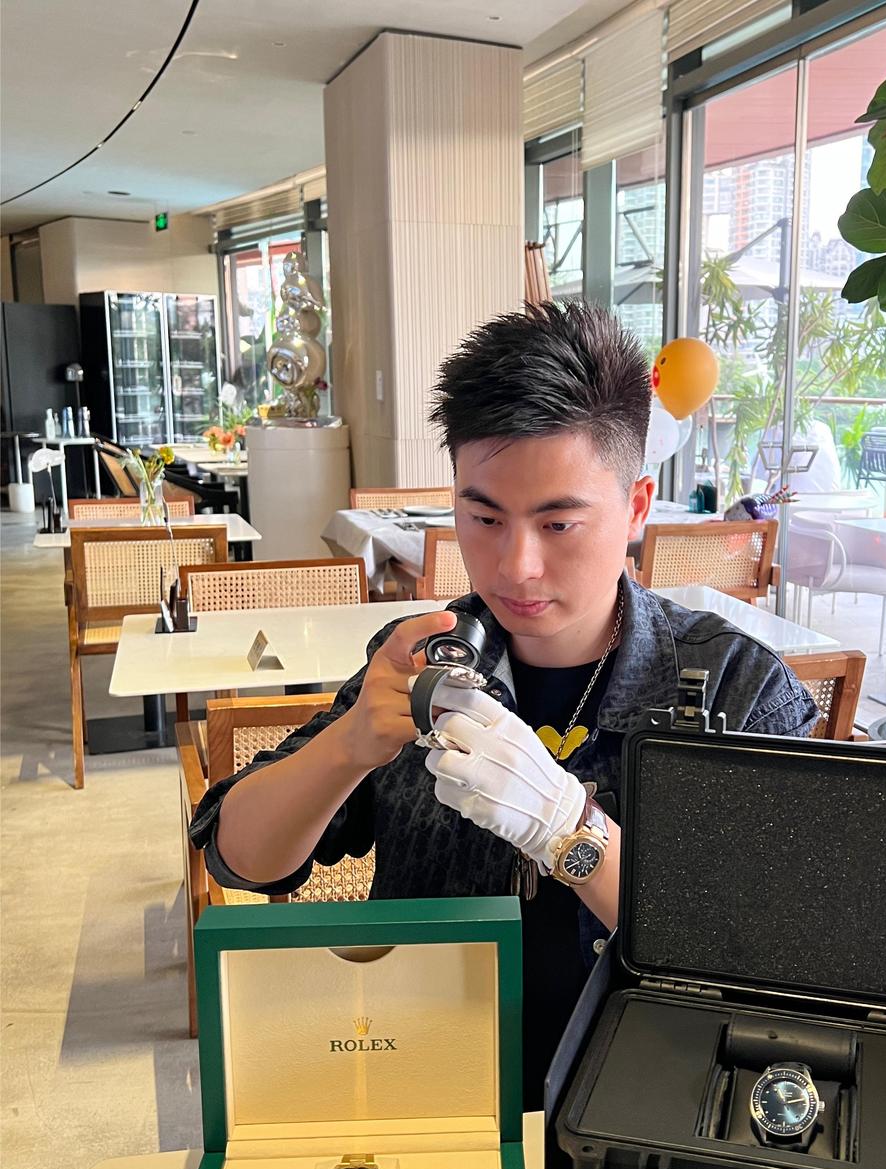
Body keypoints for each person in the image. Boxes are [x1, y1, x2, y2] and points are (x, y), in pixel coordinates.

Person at [189, 302, 818, 1107]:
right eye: (483, 516)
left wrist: (571, 832)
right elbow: (239, 857)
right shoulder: (419, 655)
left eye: (559, 523)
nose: (516, 565)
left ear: (635, 507)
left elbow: (770, 965)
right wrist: (348, 744)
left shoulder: (739, 688)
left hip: (645, 1115)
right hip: (432, 1104)